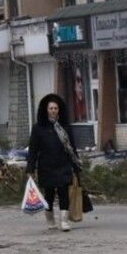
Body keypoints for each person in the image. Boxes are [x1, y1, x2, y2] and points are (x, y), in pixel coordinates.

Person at [26, 94, 82, 232]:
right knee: (49, 195)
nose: (53, 110)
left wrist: (76, 167)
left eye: (55, 108)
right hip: (46, 167)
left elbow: (72, 148)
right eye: (51, 108)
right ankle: (50, 220)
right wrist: (30, 168)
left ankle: (64, 221)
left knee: (64, 192)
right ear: (46, 110)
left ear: (59, 110)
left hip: (63, 165)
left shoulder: (65, 127)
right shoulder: (38, 128)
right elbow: (33, 149)